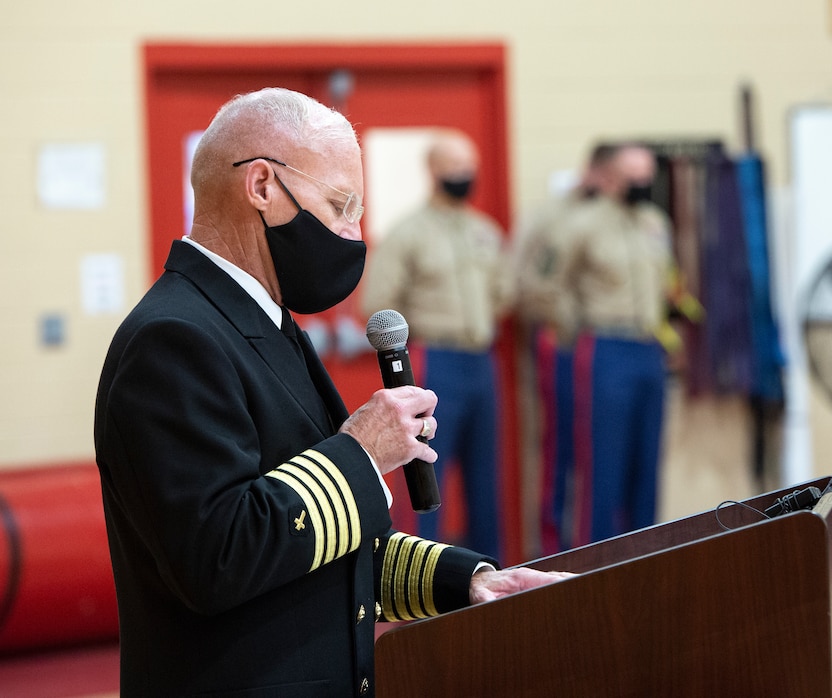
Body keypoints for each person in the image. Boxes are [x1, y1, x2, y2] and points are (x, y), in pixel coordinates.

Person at [93, 88, 566, 697]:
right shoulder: (174, 338)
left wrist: (466, 582)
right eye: (342, 205)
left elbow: (318, 550)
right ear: (261, 186)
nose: (353, 233)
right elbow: (218, 556)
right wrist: (361, 455)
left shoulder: (268, 324)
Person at [362, 130, 512, 560]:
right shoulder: (407, 233)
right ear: (433, 170)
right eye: (454, 167)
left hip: (481, 360)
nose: (463, 176)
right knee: (426, 470)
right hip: (434, 359)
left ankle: (491, 579)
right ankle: (420, 577)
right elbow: (375, 303)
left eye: (469, 168)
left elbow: (503, 292)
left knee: (486, 477)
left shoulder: (484, 231)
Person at [544, 143, 676, 545]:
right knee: (603, 461)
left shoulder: (655, 222)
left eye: (647, 176)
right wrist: (574, 330)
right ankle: (595, 557)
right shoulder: (580, 224)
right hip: (604, 347)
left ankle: (644, 552)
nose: (641, 184)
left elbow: (665, 282)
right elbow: (545, 285)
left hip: (648, 348)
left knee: (647, 459)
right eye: (633, 176)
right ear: (612, 177)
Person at [514, 143, 615, 554]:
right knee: (561, 450)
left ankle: (612, 546)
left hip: (607, 348)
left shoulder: (628, 220)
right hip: (564, 342)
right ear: (593, 171)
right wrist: (564, 326)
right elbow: (529, 281)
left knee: (605, 450)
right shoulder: (553, 216)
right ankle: (557, 548)